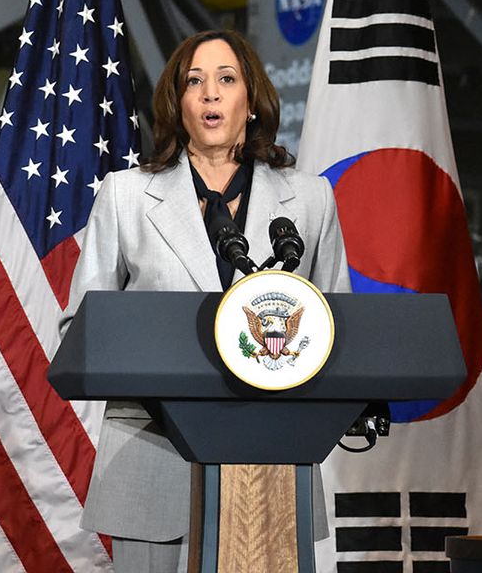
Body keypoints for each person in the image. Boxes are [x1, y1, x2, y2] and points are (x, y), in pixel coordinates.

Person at [66, 29, 350, 573]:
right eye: (194, 82)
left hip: (275, 464)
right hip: (153, 462)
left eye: (226, 79)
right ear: (178, 103)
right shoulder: (125, 196)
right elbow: (78, 331)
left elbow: (340, 329)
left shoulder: (310, 198)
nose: (210, 94)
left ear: (252, 99)